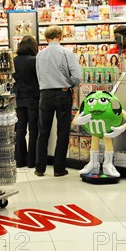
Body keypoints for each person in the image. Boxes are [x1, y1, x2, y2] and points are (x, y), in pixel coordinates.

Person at [35, 26, 82, 177]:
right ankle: (59, 168)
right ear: (60, 37)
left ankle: (40, 168)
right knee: (63, 131)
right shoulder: (66, 52)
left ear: (46, 38)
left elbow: (39, 76)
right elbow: (77, 76)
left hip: (45, 94)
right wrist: (69, 85)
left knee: (43, 131)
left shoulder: (40, 55)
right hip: (62, 93)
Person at [13, 36, 40, 169]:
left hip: (19, 97)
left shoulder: (14, 60)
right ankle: (31, 161)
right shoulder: (35, 60)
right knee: (34, 129)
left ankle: (19, 160)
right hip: (33, 97)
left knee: (20, 130)